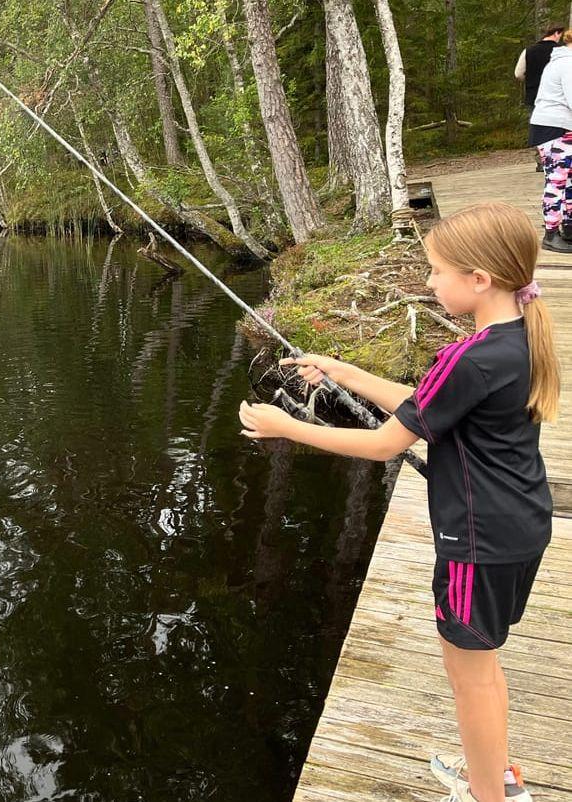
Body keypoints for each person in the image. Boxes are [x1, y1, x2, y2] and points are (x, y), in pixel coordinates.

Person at [238, 202, 558, 802]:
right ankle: (498, 776)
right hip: (518, 527)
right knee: (483, 667)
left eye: (437, 272)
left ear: (479, 278)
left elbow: (388, 443)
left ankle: (490, 795)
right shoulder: (513, 338)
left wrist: (288, 427)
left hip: (476, 541)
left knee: (471, 678)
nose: (430, 283)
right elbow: (427, 399)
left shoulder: (469, 356)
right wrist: (340, 369)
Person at [530, 30, 572, 252]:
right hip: (553, 128)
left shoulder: (562, 61)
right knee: (557, 181)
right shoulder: (567, 64)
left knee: (569, 180)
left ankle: (568, 227)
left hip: (562, 125)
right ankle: (551, 233)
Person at [517, 24, 566, 171]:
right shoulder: (561, 53)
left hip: (534, 95)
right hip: (558, 96)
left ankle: (541, 160)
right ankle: (560, 158)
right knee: (560, 128)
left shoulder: (528, 51)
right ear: (557, 34)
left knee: (539, 127)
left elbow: (518, 74)